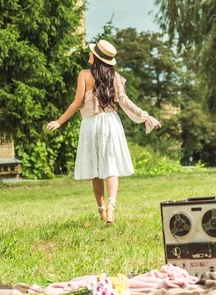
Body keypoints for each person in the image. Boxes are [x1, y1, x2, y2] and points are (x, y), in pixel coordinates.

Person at [46, 39, 161, 224]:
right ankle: (111, 206)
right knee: (111, 166)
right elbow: (125, 102)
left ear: (96, 58)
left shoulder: (84, 75)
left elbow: (77, 103)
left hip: (91, 125)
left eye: (92, 53)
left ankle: (101, 211)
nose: (89, 54)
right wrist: (146, 116)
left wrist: (59, 122)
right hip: (111, 123)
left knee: (96, 168)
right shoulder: (115, 77)